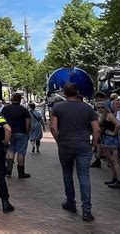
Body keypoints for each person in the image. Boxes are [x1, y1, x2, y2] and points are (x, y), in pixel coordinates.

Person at [50, 83, 100, 222]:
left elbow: (53, 128)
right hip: (83, 146)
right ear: (77, 92)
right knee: (84, 177)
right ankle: (87, 210)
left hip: (65, 145)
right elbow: (96, 129)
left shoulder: (58, 107)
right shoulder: (88, 108)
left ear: (64, 93)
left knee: (67, 174)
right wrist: (93, 145)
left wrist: (59, 141)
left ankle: (71, 203)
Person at [1, 93, 31, 178]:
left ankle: (8, 171)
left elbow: (2, 121)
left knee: (11, 150)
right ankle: (21, 172)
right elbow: (28, 123)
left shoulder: (6, 109)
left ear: (12, 99)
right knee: (21, 152)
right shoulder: (24, 110)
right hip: (22, 132)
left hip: (9, 132)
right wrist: (27, 132)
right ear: (20, 99)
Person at [96, 102, 120, 189]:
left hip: (111, 140)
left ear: (106, 108)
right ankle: (114, 178)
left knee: (114, 161)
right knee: (110, 161)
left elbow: (118, 124)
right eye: (98, 107)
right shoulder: (102, 116)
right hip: (105, 140)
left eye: (102, 107)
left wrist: (114, 133)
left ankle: (119, 180)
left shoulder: (109, 115)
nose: (100, 109)